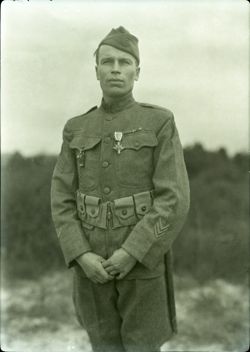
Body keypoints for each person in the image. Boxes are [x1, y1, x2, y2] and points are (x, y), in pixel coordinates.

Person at [51, 26, 190, 352]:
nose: (116, 68)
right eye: (107, 61)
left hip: (142, 264)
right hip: (91, 267)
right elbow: (61, 198)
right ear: (96, 69)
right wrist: (81, 255)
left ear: (137, 71)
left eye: (125, 62)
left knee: (143, 346)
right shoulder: (76, 128)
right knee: (102, 345)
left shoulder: (160, 122)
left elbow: (174, 198)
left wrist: (132, 252)